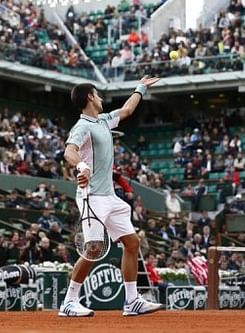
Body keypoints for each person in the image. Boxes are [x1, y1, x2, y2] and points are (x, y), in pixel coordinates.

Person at [60, 76, 162, 317]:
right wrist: (81, 167)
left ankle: (132, 301)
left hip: (110, 197)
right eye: (98, 94)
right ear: (90, 98)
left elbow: (127, 110)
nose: (102, 98)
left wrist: (141, 88)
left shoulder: (104, 120)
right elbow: (69, 151)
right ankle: (69, 302)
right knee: (93, 249)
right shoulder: (82, 126)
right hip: (91, 197)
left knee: (132, 243)